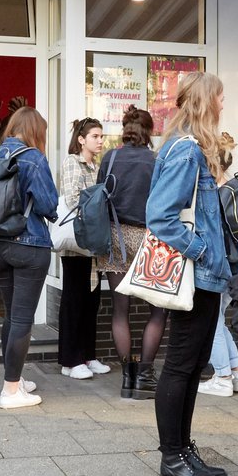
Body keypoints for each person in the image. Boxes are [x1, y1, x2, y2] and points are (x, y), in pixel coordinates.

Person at [146, 71, 233, 476]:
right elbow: (160, 216)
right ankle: (172, 458)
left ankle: (182, 449)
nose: (223, 105)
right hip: (195, 275)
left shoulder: (189, 148)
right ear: (205, 102)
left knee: (193, 363)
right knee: (181, 365)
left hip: (205, 275)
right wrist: (202, 249)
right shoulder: (186, 151)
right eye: (220, 97)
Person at [0, 106, 59, 409]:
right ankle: (11, 391)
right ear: (35, 131)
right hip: (28, 244)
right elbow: (48, 203)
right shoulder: (33, 158)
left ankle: (12, 378)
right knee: (23, 318)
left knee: (11, 315)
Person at [97, 106, 167, 400]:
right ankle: (146, 377)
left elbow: (100, 194)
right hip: (150, 238)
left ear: (124, 129)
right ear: (149, 131)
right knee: (158, 309)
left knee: (120, 310)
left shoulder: (110, 158)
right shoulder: (156, 160)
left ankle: (127, 379)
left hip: (115, 237)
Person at [58, 117, 109, 381]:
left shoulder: (95, 166)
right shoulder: (72, 162)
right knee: (74, 301)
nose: (100, 141)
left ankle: (88, 356)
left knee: (91, 302)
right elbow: (72, 199)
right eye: (95, 136)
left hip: (93, 244)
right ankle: (70, 360)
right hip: (76, 245)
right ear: (81, 139)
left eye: (101, 136)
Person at [198, 134, 238, 398]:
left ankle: (223, 376)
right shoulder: (233, 185)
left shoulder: (213, 190)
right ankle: (237, 371)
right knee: (218, 319)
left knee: (212, 322)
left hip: (221, 262)